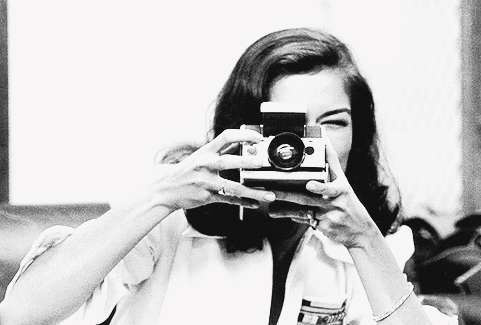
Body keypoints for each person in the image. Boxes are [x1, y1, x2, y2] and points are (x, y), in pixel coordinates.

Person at [0, 28, 454, 325]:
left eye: (334, 122)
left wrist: (364, 241)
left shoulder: (362, 241)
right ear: (244, 128)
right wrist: (161, 197)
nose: (303, 146)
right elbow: (21, 315)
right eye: (287, 129)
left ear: (359, 133)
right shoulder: (173, 220)